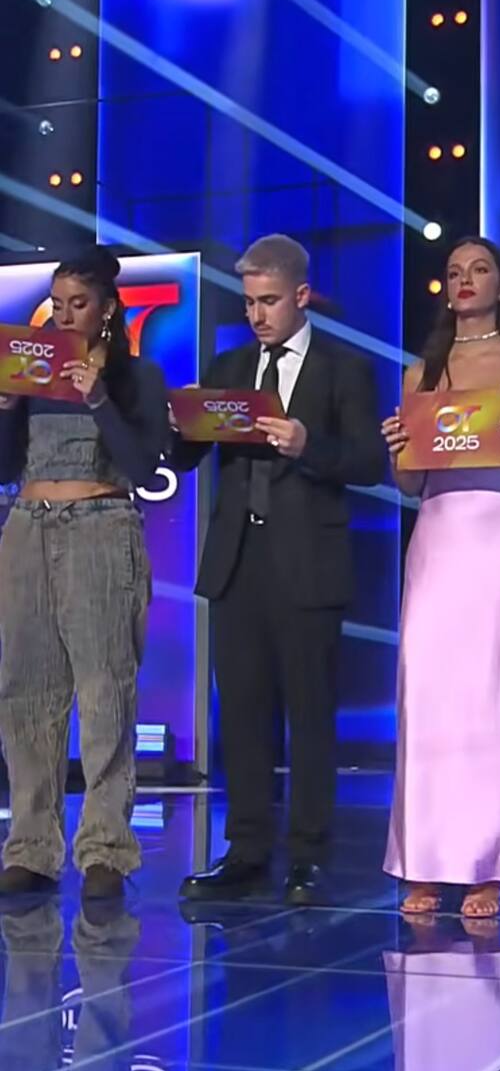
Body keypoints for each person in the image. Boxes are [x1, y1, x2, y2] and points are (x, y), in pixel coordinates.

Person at [173, 234, 387, 907]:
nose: (256, 315)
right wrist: (184, 425)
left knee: (310, 716)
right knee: (242, 714)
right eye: (248, 302)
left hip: (308, 563)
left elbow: (369, 463)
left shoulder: (344, 368)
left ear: (301, 295)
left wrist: (307, 445)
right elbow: (184, 459)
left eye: (268, 301)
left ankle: (309, 857)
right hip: (238, 562)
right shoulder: (231, 365)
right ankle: (246, 851)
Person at [382, 236, 500, 918]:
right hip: (441, 536)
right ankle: (428, 860)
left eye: (480, 269)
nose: (465, 280)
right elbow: (409, 484)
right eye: (455, 272)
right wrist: (399, 452)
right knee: (432, 696)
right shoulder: (420, 373)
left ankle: (493, 863)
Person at [0, 247, 166, 901]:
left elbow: (145, 465)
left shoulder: (136, 377)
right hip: (27, 527)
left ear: (107, 310)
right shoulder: (32, 375)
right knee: (26, 691)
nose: (65, 315)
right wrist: (6, 408)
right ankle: (31, 847)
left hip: (100, 525)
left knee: (104, 690)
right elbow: (5, 467)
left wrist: (98, 398)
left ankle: (105, 849)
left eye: (79, 304)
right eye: (57, 303)